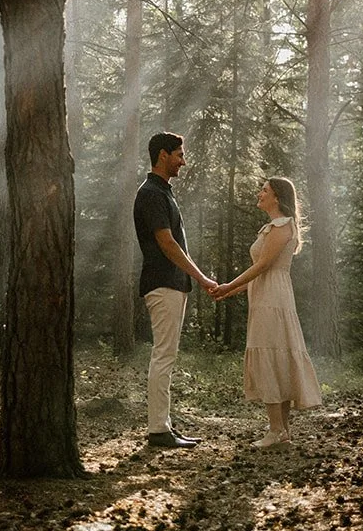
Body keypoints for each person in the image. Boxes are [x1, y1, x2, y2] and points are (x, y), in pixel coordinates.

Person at [211, 176, 321, 447]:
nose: (259, 193)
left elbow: (262, 267)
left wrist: (229, 284)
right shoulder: (272, 228)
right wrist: (228, 291)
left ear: (277, 197)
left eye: (265, 190)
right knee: (275, 354)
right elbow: (259, 272)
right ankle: (281, 430)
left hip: (273, 297)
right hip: (265, 294)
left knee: (272, 354)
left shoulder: (282, 227)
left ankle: (275, 430)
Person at [133, 131, 216, 448]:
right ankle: (158, 430)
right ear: (163, 155)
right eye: (179, 154)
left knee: (166, 355)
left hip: (171, 283)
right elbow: (167, 243)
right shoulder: (152, 194)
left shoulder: (161, 192)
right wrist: (202, 278)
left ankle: (163, 425)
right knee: (163, 356)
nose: (184, 160)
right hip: (162, 282)